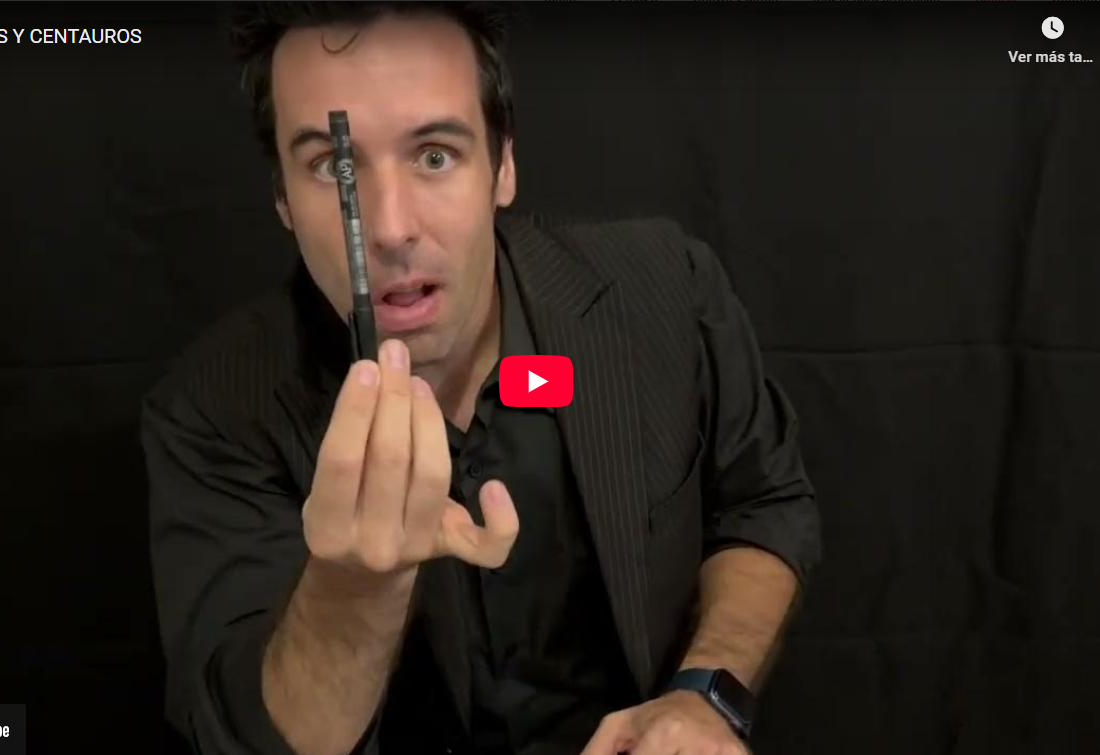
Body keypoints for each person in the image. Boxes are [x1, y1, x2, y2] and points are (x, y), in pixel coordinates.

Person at [141, 3, 821, 754]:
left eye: (434, 155)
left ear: (502, 167)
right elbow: (239, 737)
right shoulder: (215, 407)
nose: (390, 228)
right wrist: (352, 587)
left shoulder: (663, 288)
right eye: (334, 167)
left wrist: (703, 695)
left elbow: (760, 506)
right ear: (281, 198)